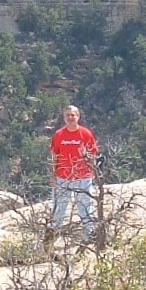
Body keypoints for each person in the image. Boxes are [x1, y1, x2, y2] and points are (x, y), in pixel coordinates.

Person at [48, 105, 99, 245]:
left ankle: (89, 235)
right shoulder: (58, 135)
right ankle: (51, 237)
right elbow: (54, 156)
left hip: (83, 177)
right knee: (59, 207)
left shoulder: (86, 134)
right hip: (63, 177)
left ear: (78, 116)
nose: (70, 118)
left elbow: (92, 154)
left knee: (85, 207)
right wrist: (53, 175)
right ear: (64, 118)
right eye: (67, 115)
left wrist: (93, 172)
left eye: (73, 115)